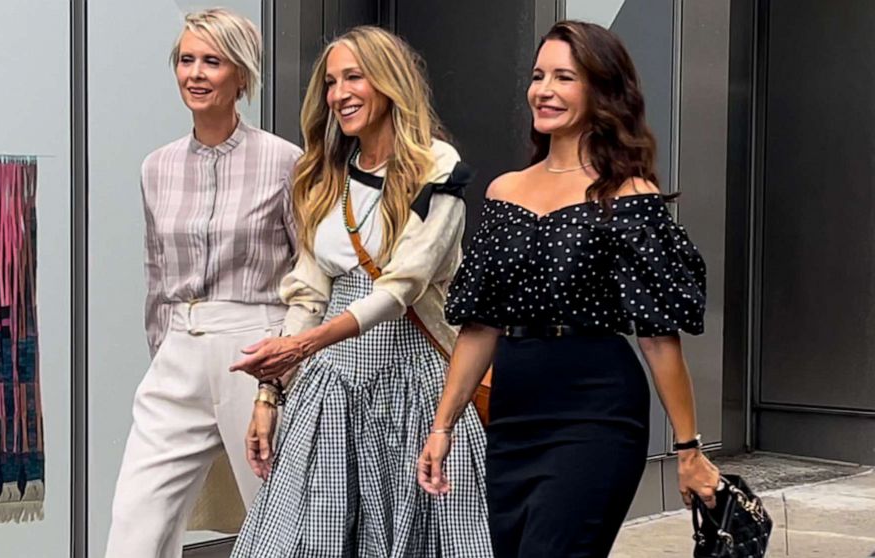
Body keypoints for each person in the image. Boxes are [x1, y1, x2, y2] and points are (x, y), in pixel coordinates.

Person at [417, 20, 721, 557]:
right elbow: (480, 325)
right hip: (514, 413)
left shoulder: (628, 195)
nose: (545, 90)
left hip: (596, 411)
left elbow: (657, 337)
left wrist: (688, 448)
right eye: (539, 75)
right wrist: (442, 427)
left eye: (565, 77)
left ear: (601, 90)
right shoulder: (504, 191)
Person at [228, 25, 493, 558]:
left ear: (390, 83)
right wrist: (269, 394)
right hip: (331, 389)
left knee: (422, 538)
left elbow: (402, 287)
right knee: (303, 538)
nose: (339, 93)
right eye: (331, 81)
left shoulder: (435, 169)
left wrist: (304, 346)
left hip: (416, 387)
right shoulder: (325, 175)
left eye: (355, 77)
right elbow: (307, 295)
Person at [104, 9, 301, 558]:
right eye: (186, 60)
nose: (195, 73)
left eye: (212, 61)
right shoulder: (156, 166)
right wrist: (163, 347)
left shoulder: (286, 162)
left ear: (241, 76)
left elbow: (309, 271)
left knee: (276, 521)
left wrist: (284, 367)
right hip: (178, 349)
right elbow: (156, 273)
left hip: (256, 346)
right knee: (134, 521)